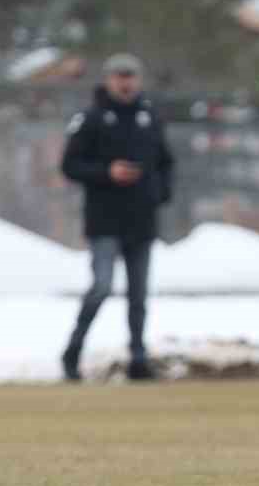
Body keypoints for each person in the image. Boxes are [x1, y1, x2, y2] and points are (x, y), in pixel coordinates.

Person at [59, 53, 175, 382]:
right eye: (119, 77)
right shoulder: (91, 119)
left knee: (138, 296)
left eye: (131, 77)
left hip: (142, 220)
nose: (126, 83)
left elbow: (166, 162)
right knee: (102, 287)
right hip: (105, 220)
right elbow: (70, 165)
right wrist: (106, 173)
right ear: (108, 80)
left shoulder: (149, 118)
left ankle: (138, 358)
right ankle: (73, 351)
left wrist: (159, 194)